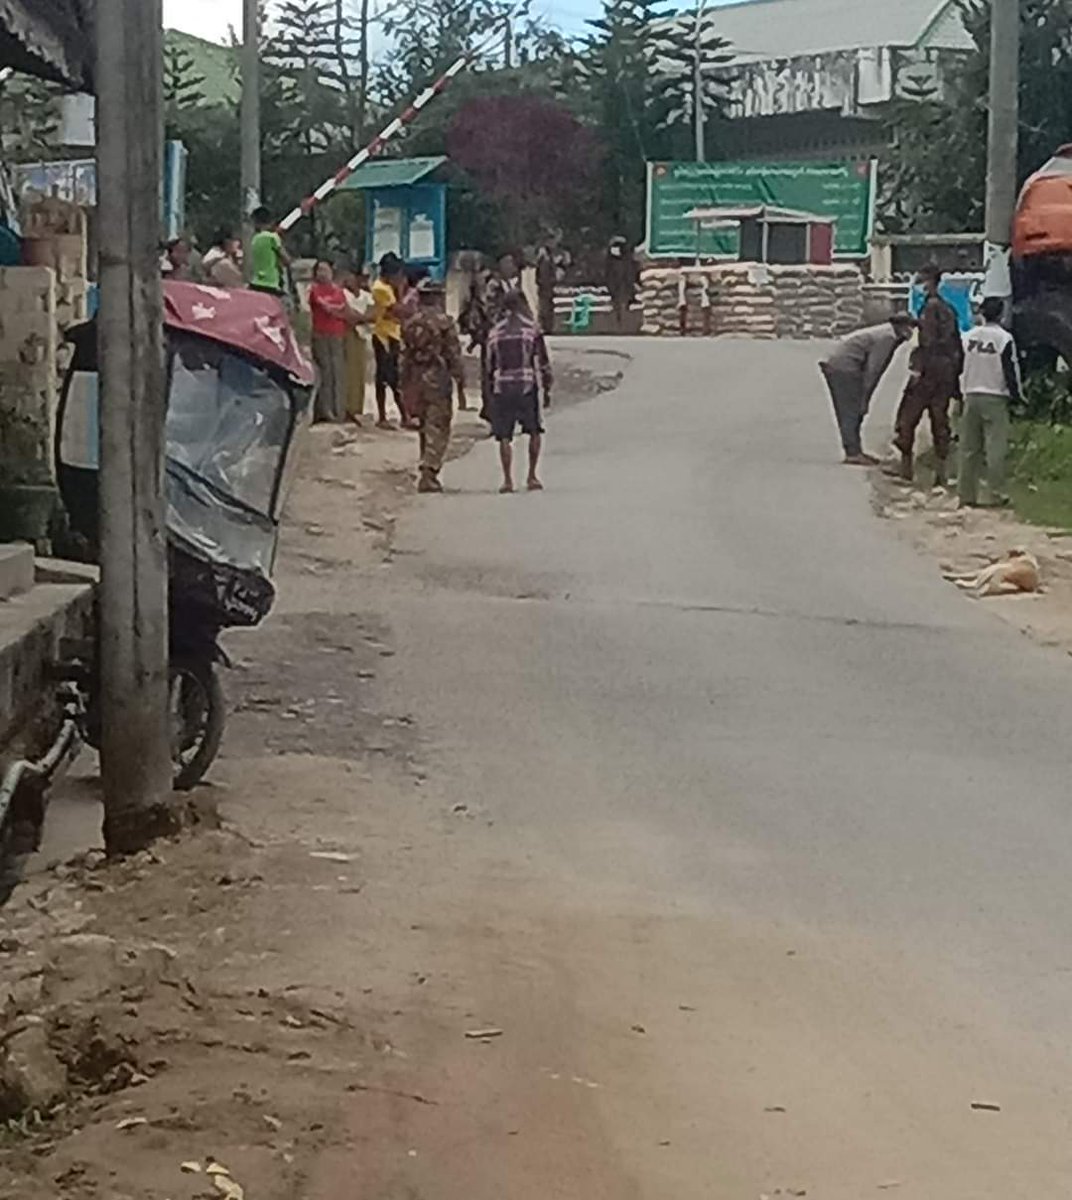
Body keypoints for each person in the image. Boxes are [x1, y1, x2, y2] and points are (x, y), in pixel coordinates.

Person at [892, 264, 965, 484]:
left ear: (930, 280)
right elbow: (956, 343)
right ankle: (941, 474)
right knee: (939, 418)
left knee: (907, 416)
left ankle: (906, 469)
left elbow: (928, 341)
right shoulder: (948, 308)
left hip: (929, 370)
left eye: (921, 279)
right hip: (946, 371)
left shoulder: (930, 308)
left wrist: (917, 367)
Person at [819, 314, 917, 465]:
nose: (911, 333)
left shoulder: (889, 335)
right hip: (844, 367)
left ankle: (855, 449)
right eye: (910, 328)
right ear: (902, 327)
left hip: (843, 364)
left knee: (853, 408)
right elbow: (874, 369)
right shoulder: (887, 337)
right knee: (850, 409)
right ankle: (852, 452)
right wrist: (866, 396)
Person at [401, 282, 466, 493]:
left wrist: (403, 383)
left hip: (415, 378)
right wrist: (460, 377)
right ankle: (429, 471)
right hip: (437, 378)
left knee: (423, 424)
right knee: (438, 425)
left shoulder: (410, 323)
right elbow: (453, 354)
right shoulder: (444, 322)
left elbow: (403, 356)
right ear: (438, 297)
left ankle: (425, 467)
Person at [485, 289, 552, 493]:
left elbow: (489, 365)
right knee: (534, 430)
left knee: (504, 435)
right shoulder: (532, 329)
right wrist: (547, 388)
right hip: (526, 385)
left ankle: (507, 480)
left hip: (502, 386)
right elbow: (543, 362)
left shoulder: (495, 332)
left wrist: (489, 393)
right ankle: (531, 476)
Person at [958, 296, 1022, 508]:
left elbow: (959, 364)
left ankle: (966, 494)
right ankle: (995, 493)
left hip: (971, 394)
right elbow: (1011, 370)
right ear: (1002, 314)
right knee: (995, 447)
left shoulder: (968, 337)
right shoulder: (1004, 339)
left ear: (982, 313)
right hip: (995, 395)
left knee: (969, 448)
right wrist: (1018, 397)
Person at [308, 260, 352, 423]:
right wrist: (336, 309)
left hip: (337, 334)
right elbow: (328, 307)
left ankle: (338, 409)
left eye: (325, 270)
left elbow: (342, 308)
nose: (323, 273)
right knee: (324, 372)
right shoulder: (314, 290)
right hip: (321, 334)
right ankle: (324, 411)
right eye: (320, 270)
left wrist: (335, 309)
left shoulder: (338, 290)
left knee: (338, 372)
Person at [371, 252, 406, 429]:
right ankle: (388, 416)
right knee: (388, 377)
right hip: (383, 335)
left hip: (392, 333)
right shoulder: (381, 289)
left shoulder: (387, 288)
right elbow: (396, 311)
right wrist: (401, 292)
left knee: (391, 376)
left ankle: (401, 414)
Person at [341, 267, 375, 425]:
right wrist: (361, 317)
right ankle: (347, 407)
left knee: (360, 372)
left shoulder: (367, 296)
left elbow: (373, 314)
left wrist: (359, 317)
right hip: (348, 333)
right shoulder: (342, 294)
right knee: (348, 371)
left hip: (362, 335)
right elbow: (347, 315)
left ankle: (356, 408)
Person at [250, 207, 290, 296]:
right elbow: (286, 259)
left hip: (256, 282)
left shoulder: (255, 239)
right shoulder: (273, 237)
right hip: (271, 283)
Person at [605, 236, 636, 330]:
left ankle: (623, 325)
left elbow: (630, 275)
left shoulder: (627, 260)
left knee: (623, 304)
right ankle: (619, 324)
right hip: (616, 287)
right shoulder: (610, 261)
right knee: (618, 304)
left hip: (624, 287)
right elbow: (609, 276)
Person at [536, 243, 557, 334]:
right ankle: (545, 326)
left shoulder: (547, 257)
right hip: (545, 286)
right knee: (545, 306)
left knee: (546, 305)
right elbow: (542, 273)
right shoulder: (545, 258)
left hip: (546, 286)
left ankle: (547, 326)